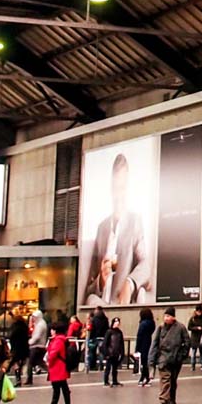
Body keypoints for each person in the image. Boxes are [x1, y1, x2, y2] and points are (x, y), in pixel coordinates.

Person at [81, 153, 152, 305]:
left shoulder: (135, 221)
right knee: (90, 300)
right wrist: (101, 279)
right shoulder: (102, 228)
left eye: (122, 187)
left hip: (121, 302)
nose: (118, 194)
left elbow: (145, 264)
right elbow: (90, 287)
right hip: (101, 304)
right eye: (115, 187)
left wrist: (130, 282)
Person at [151, 308, 188, 404]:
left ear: (173, 317)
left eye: (168, 316)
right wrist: (152, 359)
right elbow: (155, 344)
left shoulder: (180, 328)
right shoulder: (160, 328)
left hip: (176, 358)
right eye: (165, 316)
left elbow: (187, 342)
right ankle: (163, 399)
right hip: (163, 357)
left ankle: (171, 398)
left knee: (173, 379)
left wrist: (182, 355)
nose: (166, 318)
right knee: (165, 379)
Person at [44, 321, 73, 404]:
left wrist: (48, 360)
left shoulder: (58, 340)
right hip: (61, 366)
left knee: (56, 388)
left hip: (57, 367)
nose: (51, 331)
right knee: (63, 386)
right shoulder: (62, 339)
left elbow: (53, 354)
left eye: (52, 330)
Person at [27, 310, 49, 386]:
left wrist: (30, 342)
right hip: (40, 346)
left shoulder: (40, 325)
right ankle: (52, 372)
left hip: (36, 346)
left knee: (30, 363)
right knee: (41, 363)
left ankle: (29, 379)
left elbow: (37, 336)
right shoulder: (41, 324)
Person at [103, 317, 126, 387]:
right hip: (110, 353)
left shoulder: (119, 332)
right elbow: (105, 343)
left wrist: (122, 353)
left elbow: (121, 343)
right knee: (108, 368)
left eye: (118, 323)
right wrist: (106, 353)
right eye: (116, 322)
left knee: (115, 368)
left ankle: (114, 381)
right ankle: (106, 381)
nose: (117, 324)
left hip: (116, 353)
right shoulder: (109, 332)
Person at [135, 308, 156, 386]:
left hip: (143, 344)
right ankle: (145, 377)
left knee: (143, 362)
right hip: (149, 342)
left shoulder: (143, 324)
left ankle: (144, 377)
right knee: (146, 361)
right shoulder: (152, 323)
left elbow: (139, 335)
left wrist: (137, 349)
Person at [9, 311, 30, 383]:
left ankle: (18, 379)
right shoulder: (25, 327)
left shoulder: (15, 327)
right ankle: (18, 378)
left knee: (15, 363)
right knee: (19, 363)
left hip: (16, 348)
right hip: (24, 348)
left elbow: (11, 336)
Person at [88, 307, 108, 372]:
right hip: (102, 337)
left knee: (92, 351)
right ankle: (101, 365)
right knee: (101, 352)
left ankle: (92, 366)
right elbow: (107, 328)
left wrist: (90, 337)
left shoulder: (94, 319)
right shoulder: (105, 319)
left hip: (94, 337)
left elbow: (92, 329)